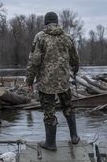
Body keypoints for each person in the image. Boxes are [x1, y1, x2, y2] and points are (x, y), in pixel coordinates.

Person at [26, 11, 80, 151]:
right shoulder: (67, 36)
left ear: (45, 22)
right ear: (57, 22)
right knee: (68, 106)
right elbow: (75, 58)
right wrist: (75, 70)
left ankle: (51, 143)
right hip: (64, 81)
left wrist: (29, 80)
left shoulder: (40, 37)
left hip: (46, 83)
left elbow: (34, 61)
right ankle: (74, 136)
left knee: (49, 112)